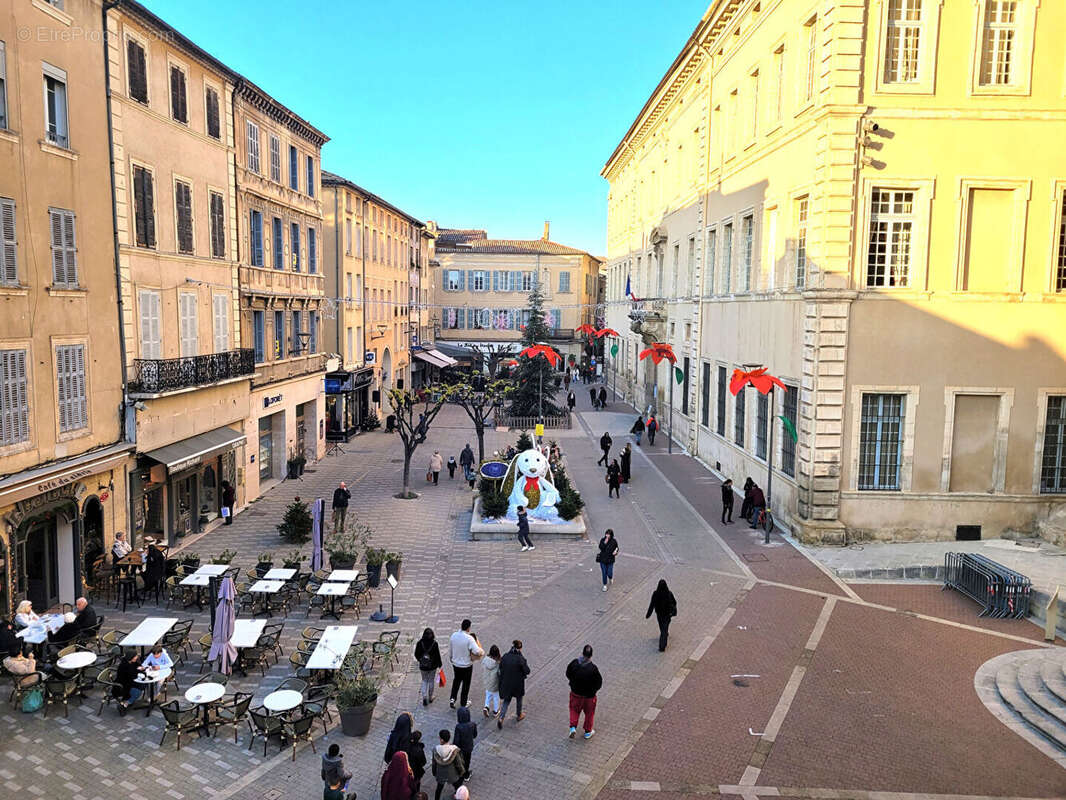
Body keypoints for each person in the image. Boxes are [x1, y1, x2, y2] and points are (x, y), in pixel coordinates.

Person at [566, 644, 603, 740]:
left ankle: (573, 727)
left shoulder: (574, 663)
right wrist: (594, 690)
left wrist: (573, 683)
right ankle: (587, 731)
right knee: (589, 713)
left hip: (575, 694)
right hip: (589, 697)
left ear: (582, 653)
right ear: (591, 655)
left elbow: (568, 673)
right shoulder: (593, 669)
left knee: (574, 710)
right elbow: (599, 682)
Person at [448, 620, 483, 709]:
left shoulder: (454, 635)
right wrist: (482, 651)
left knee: (456, 680)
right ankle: (463, 702)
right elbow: (477, 651)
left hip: (456, 664)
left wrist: (451, 658)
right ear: (468, 628)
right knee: (466, 684)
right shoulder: (469, 638)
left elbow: (450, 649)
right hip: (466, 666)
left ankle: (452, 698)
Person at [496, 639, 529, 729]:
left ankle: (501, 717)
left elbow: (500, 668)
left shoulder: (505, 656)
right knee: (519, 699)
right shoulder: (520, 659)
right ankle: (519, 714)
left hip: (507, 683)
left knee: (506, 701)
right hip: (517, 684)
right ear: (520, 649)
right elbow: (527, 670)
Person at [432, 729, 465, 800]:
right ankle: (460, 797)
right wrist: (461, 772)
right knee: (457, 786)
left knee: (439, 788)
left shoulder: (436, 749)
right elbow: (458, 763)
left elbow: (434, 763)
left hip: (441, 773)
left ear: (441, 739)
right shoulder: (454, 749)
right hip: (452, 773)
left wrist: (434, 772)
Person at [646, 579, 678, 651]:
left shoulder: (655, 594)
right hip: (667, 614)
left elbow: (652, 604)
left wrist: (648, 614)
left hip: (659, 614)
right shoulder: (669, 593)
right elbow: (674, 602)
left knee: (662, 627)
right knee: (665, 628)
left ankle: (662, 645)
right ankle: (663, 642)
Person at [415, 628, 443, 706]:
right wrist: (439, 664)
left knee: (424, 680)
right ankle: (430, 697)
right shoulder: (435, 643)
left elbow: (416, 654)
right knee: (431, 680)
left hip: (423, 666)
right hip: (432, 666)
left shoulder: (419, 643)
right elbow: (437, 655)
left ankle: (424, 697)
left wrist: (420, 660)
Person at [453, 706, 477, 780]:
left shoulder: (458, 727)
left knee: (460, 761)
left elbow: (456, 740)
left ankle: (460, 773)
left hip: (461, 748)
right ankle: (466, 774)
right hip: (469, 747)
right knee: (467, 760)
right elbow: (475, 735)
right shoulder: (473, 724)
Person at [482, 644, 501, 718]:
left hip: (487, 681)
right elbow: (499, 673)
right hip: (495, 683)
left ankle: (486, 706)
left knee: (488, 695)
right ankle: (496, 711)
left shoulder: (485, 660)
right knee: (496, 697)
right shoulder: (497, 663)